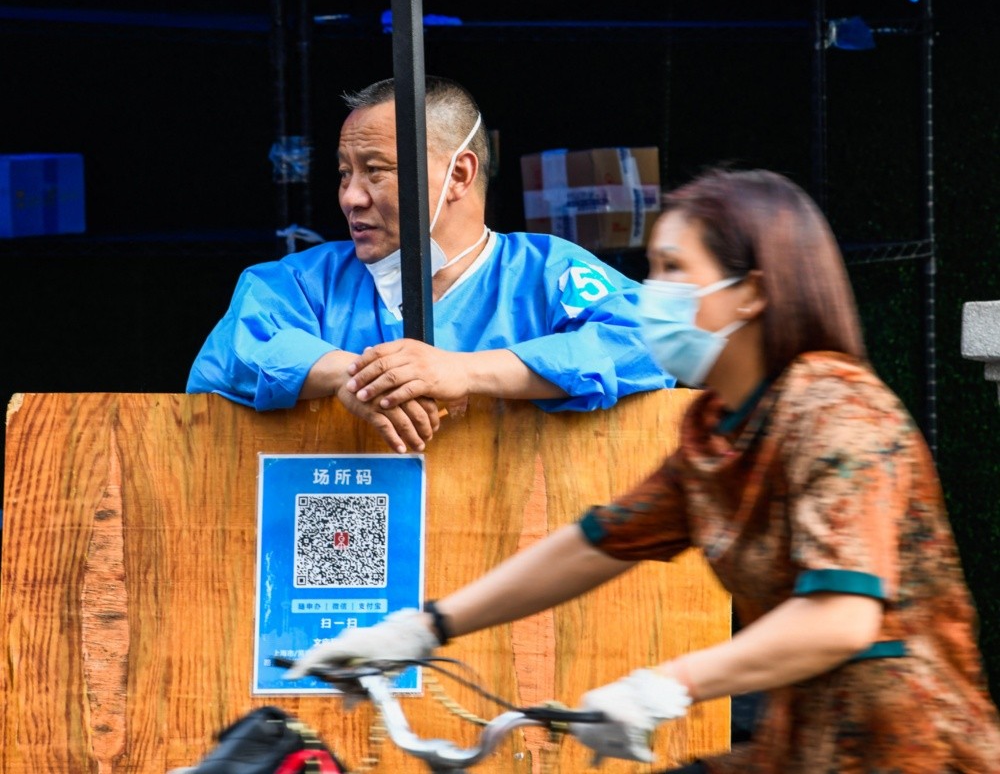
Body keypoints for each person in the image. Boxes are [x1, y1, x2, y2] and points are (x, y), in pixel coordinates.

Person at [288, 168, 1000, 773]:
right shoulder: (716, 427)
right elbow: (601, 540)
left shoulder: (835, 408)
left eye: (673, 271)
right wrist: (421, 629)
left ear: (751, 292)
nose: (648, 293)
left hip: (914, 746)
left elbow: (841, 619)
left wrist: (667, 685)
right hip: (804, 746)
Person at [187, 76, 669, 452]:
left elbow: (653, 342)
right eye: (343, 173)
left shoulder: (545, 271)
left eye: (375, 171)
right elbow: (230, 355)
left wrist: (464, 372)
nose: (351, 197)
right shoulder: (304, 280)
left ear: (459, 174)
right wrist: (353, 376)